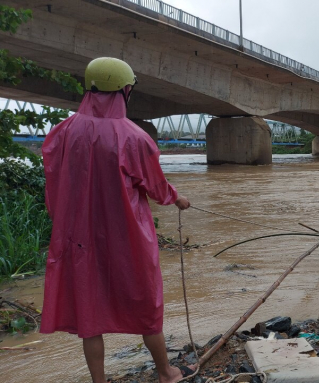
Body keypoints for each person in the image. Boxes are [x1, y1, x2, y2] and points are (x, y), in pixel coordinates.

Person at [40, 57, 195, 383]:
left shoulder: (64, 131)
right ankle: (166, 373)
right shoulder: (134, 137)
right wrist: (177, 198)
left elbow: (53, 178)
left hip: (78, 238)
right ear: (125, 89)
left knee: (88, 309)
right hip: (128, 238)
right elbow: (155, 187)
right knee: (146, 304)